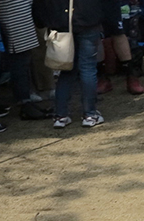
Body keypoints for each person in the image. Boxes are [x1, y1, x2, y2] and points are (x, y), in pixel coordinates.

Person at [35, 0, 116, 128]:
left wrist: (44, 21)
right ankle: (90, 114)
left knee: (66, 69)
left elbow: (39, 6)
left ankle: (60, 115)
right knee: (87, 68)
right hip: (88, 20)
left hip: (61, 23)